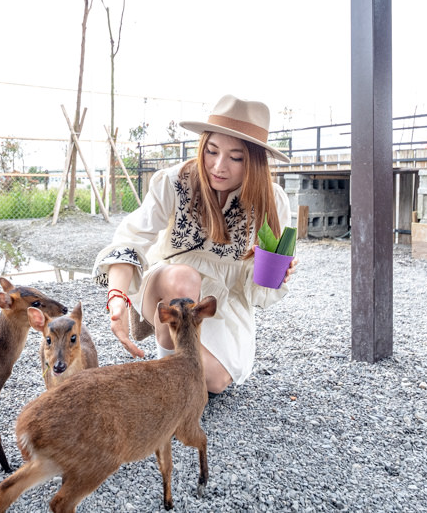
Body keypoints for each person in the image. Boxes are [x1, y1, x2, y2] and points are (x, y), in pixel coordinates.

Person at [93, 95, 298, 393]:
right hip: (169, 285)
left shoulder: (272, 200)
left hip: (224, 300)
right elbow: (130, 240)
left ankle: (174, 373)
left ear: (254, 160)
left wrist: (276, 273)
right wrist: (117, 296)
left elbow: (260, 293)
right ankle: (168, 382)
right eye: (212, 151)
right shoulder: (175, 181)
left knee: (214, 382)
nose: (218, 166)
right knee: (182, 278)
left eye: (236, 157)